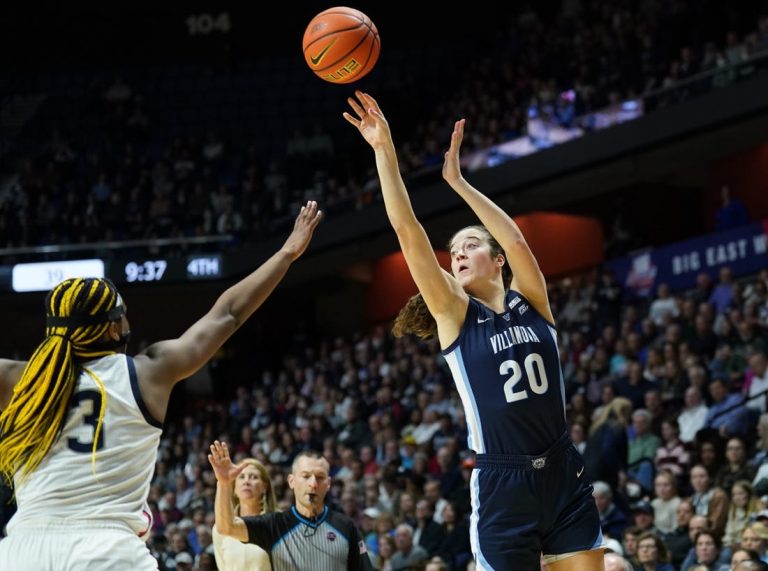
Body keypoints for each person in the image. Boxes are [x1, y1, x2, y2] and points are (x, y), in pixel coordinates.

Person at [344, 90, 602, 569]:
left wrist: (460, 183)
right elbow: (407, 231)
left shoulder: (534, 302)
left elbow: (517, 238)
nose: (457, 253)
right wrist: (385, 152)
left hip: (563, 470)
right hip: (504, 484)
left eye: (469, 245)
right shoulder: (455, 315)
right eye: (453, 250)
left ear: (498, 260)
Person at [0, 202, 322, 570]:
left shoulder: (17, 380)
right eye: (121, 315)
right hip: (106, 551)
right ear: (109, 327)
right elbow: (228, 314)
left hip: (21, 552)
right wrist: (286, 254)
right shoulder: (147, 372)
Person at [209, 442, 373, 571]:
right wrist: (223, 483)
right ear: (291, 481)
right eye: (306, 476)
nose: (313, 484)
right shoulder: (274, 525)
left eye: (320, 477)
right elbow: (226, 527)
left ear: (329, 483)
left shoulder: (346, 527)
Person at [212, 458, 278, 571]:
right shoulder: (220, 527)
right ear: (234, 488)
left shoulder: (277, 522)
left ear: (264, 487)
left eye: (254, 477)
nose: (246, 481)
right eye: (241, 477)